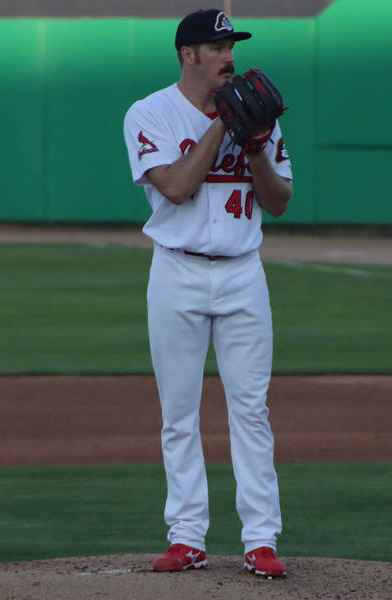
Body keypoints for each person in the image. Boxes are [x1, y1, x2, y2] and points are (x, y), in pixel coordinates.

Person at [122, 8, 293, 578]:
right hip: (178, 271)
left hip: (244, 271)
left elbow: (279, 201)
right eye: (217, 47)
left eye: (231, 46)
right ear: (187, 55)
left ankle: (261, 540)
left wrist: (256, 147)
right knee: (179, 412)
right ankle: (187, 537)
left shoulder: (258, 113)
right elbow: (175, 187)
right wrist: (224, 124)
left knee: (251, 411)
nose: (229, 56)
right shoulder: (149, 113)